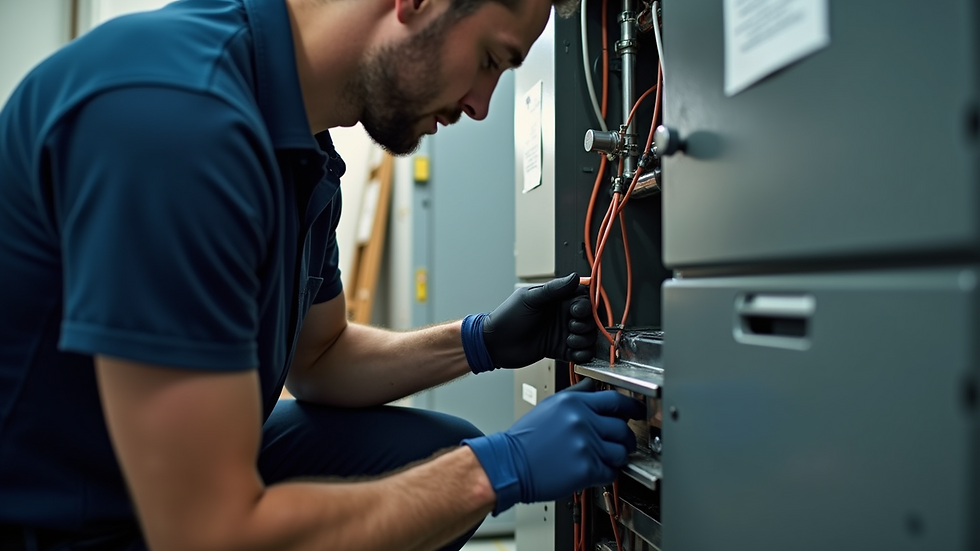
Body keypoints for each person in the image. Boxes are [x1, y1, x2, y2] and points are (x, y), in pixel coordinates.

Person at [0, 0, 645, 549]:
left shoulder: (301, 146)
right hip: (74, 517)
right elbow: (207, 534)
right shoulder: (178, 123)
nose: (481, 106)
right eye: (490, 60)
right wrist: (501, 468)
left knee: (436, 452)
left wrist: (479, 342)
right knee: (460, 472)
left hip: (165, 477)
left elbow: (321, 358)